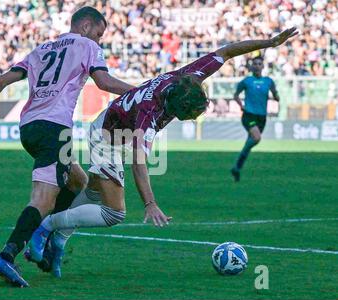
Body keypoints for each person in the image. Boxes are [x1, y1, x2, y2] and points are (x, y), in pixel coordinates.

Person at [26, 28, 299, 279]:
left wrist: (270, 43)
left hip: (115, 125)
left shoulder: (190, 77)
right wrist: (150, 203)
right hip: (108, 137)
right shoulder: (150, 113)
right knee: (114, 213)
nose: (191, 119)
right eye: (190, 115)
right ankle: (47, 226)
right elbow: (138, 162)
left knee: (96, 194)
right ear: (176, 107)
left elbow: (226, 51)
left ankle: (58, 241)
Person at [0, 6, 134, 287]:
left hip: (29, 128)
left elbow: (1, 80)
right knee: (43, 199)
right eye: (98, 33)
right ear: (86, 26)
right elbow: (103, 81)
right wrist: (141, 90)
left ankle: (46, 242)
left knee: (77, 182)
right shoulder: (87, 46)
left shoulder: (41, 50)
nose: (99, 40)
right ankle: (7, 256)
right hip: (53, 129)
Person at [231, 56, 280, 182]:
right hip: (249, 115)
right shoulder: (247, 81)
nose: (257, 66)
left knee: (250, 143)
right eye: (255, 64)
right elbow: (236, 95)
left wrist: (277, 97)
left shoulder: (268, 81)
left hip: (261, 117)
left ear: (263, 66)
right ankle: (237, 165)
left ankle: (236, 168)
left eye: (259, 64)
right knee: (256, 138)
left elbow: (275, 94)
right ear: (252, 67)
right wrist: (241, 106)